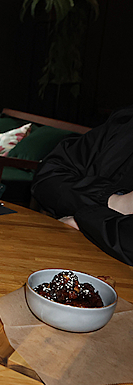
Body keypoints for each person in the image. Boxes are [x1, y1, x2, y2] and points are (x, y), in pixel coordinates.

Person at [31, 106, 133, 266]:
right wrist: (113, 201)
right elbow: (48, 175)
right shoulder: (125, 121)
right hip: (64, 255)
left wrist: (87, 222)